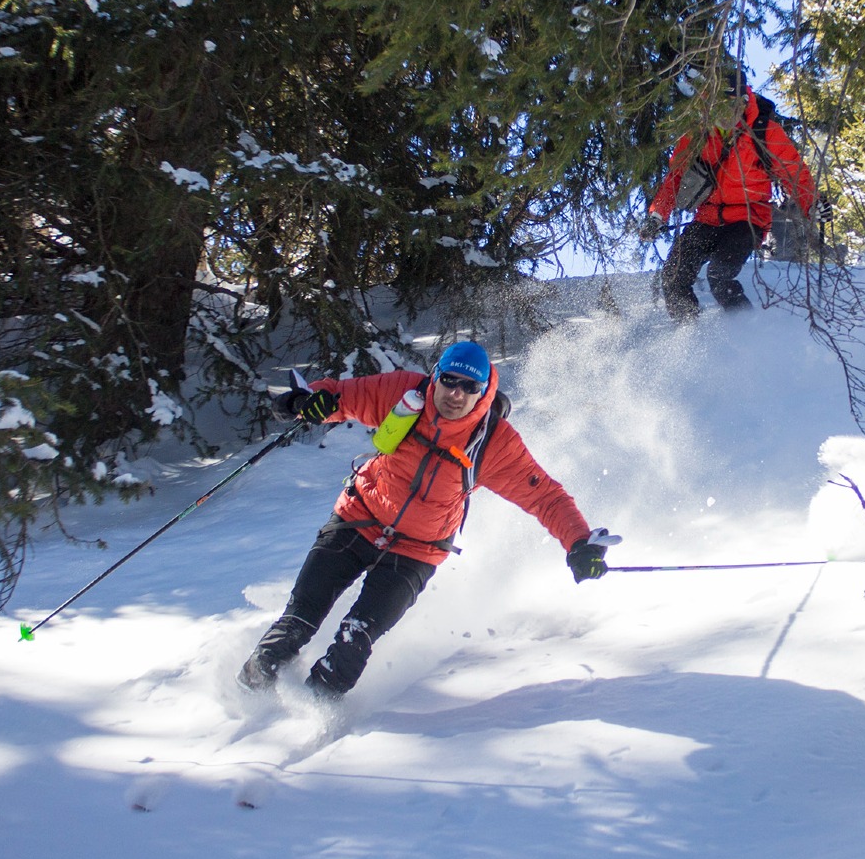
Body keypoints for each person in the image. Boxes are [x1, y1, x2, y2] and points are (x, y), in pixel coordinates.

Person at [237, 340, 617, 697]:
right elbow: (341, 397)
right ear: (435, 376)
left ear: (483, 392)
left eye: (469, 386)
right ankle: (242, 703)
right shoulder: (403, 393)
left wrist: (579, 543)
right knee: (297, 621)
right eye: (449, 381)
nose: (455, 394)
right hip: (359, 518)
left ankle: (309, 722)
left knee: (354, 643)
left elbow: (545, 497)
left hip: (417, 551)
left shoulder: (494, 443)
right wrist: (306, 402)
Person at [640, 74, 821, 320]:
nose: (728, 113)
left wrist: (814, 206)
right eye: (721, 106)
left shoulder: (764, 132)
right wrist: (657, 216)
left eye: (735, 106)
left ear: (745, 103)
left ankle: (746, 332)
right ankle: (688, 332)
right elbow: (675, 178)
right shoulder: (698, 134)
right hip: (707, 218)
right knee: (674, 275)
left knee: (719, 275)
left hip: (748, 219)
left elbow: (795, 174)